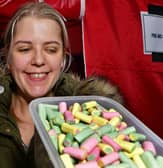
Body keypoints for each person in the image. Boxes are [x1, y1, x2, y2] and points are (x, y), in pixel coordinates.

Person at [0, 2, 123, 168]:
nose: (38, 60)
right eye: (24, 49)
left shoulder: (98, 120)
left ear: (63, 59)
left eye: (50, 50)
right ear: (7, 56)